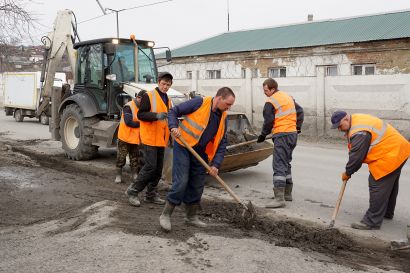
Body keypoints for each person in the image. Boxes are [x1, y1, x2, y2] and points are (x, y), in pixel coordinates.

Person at [159, 87, 236, 232]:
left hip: (201, 151)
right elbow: (173, 111)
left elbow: (222, 142)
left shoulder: (223, 117)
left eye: (230, 105)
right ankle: (166, 214)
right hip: (184, 146)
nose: (229, 108)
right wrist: (173, 126)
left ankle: (191, 217)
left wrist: (216, 164)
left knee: (197, 183)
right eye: (228, 104)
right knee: (181, 181)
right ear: (219, 98)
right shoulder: (199, 102)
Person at [330, 111, 410, 230]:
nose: (339, 129)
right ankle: (387, 213)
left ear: (346, 119)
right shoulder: (357, 120)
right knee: (389, 183)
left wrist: (348, 172)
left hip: (390, 154)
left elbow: (356, 158)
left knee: (377, 184)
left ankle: (372, 221)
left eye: (340, 126)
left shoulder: (359, 132)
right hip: (399, 149)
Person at [125, 72, 173, 207]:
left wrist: (170, 136)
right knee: (150, 166)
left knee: (158, 169)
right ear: (158, 82)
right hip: (150, 137)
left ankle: (150, 194)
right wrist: (156, 115)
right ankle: (133, 191)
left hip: (161, 139)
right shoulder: (148, 96)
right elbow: (141, 115)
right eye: (163, 84)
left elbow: (167, 120)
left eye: (168, 85)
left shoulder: (167, 99)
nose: (165, 87)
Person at [257, 78, 304, 208]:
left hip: (282, 135)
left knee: (278, 164)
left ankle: (279, 199)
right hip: (292, 135)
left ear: (272, 89)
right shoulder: (287, 97)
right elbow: (300, 111)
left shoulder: (270, 101)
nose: (264, 93)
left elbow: (268, 122)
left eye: (266, 90)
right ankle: (287, 194)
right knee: (286, 163)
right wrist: (297, 128)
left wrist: (262, 135)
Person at [114, 90, 146, 184]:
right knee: (121, 157)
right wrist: (142, 124)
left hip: (134, 139)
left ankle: (135, 175)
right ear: (138, 98)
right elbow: (128, 122)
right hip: (125, 137)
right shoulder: (129, 106)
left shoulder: (142, 108)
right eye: (144, 100)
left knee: (134, 158)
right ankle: (118, 175)